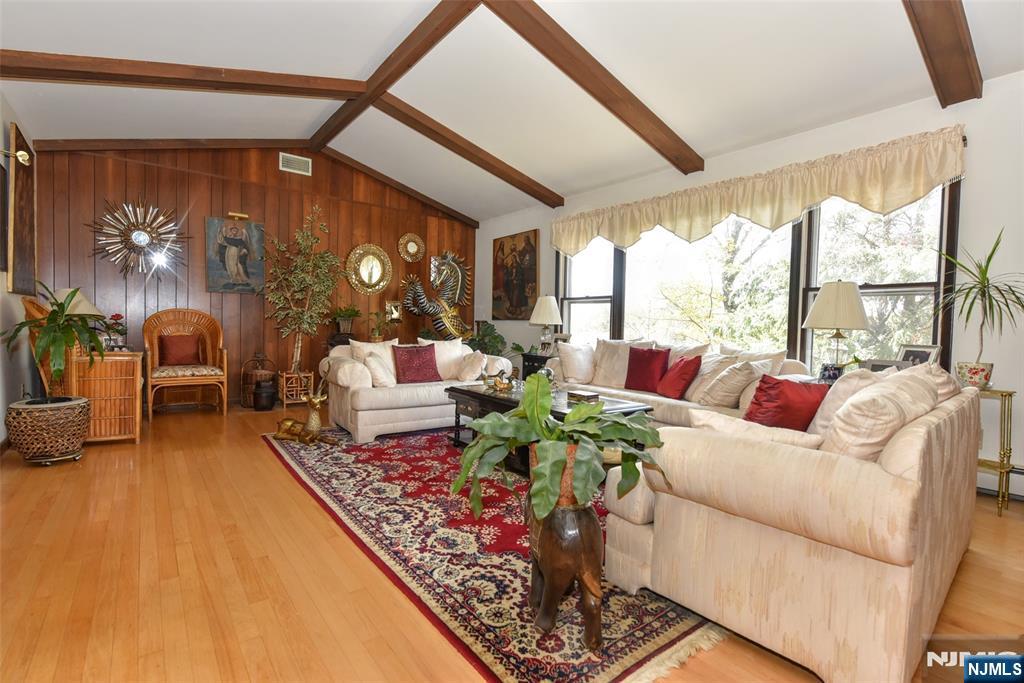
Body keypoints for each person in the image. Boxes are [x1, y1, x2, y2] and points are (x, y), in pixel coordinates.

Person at [216, 220, 253, 290]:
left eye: (235, 230)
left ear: (237, 232)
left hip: (235, 252)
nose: (234, 231)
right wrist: (221, 232)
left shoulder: (238, 239)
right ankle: (234, 279)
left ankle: (241, 279)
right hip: (228, 252)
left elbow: (244, 244)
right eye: (233, 230)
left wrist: (244, 250)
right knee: (229, 265)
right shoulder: (228, 238)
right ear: (231, 231)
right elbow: (222, 241)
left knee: (236, 264)